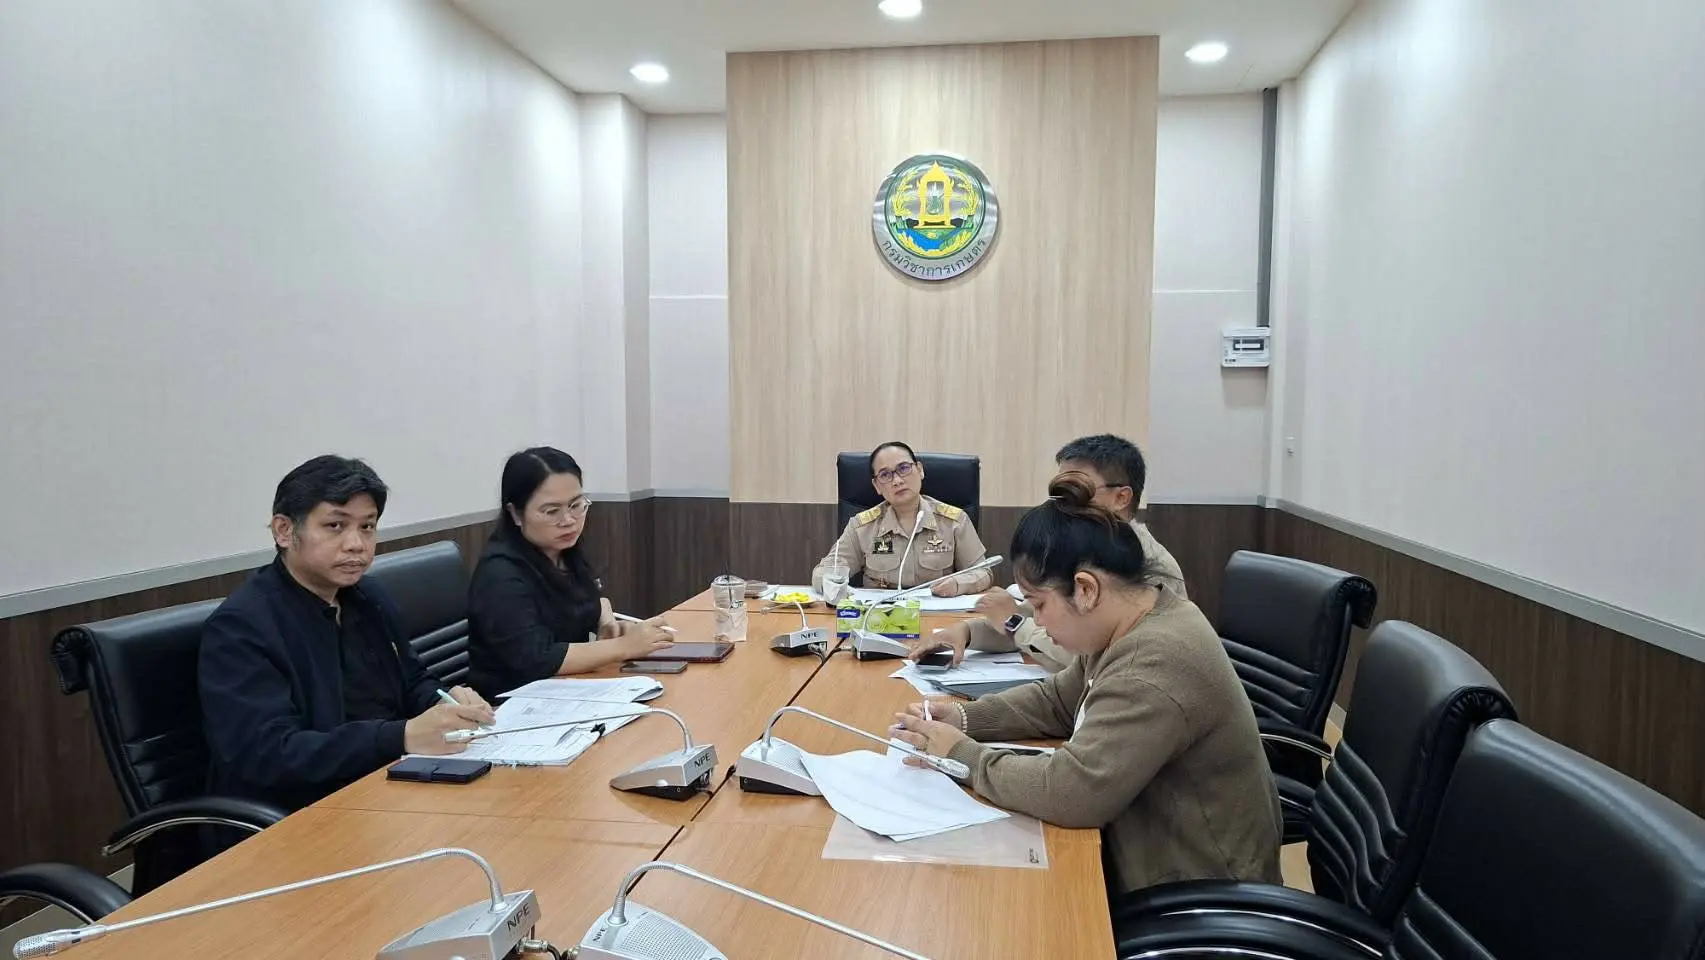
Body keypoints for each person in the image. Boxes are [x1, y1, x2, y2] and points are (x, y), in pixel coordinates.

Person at [889, 471, 1281, 894]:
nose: (1037, 622)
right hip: (1148, 845)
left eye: (1039, 605)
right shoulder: (1130, 620)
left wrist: (961, 755)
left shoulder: (1151, 663)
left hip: (1197, 888)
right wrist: (966, 718)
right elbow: (1059, 700)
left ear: (1086, 590)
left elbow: (1073, 793)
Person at [199, 456, 495, 812]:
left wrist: (443, 701)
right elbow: (268, 753)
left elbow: (412, 680)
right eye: (335, 526)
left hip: (388, 784)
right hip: (303, 812)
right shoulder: (241, 627)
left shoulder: (369, 598)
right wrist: (400, 736)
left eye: (367, 527)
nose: (356, 544)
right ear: (284, 531)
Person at [921, 434, 1186, 672]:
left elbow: (1088, 656)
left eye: (1077, 491)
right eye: (1061, 493)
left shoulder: (1148, 567)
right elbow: (1036, 620)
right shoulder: (1080, 546)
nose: (1064, 505)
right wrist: (966, 632)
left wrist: (1014, 622)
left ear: (1121, 498)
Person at [466, 447, 673, 700]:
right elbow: (538, 659)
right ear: (516, 514)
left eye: (576, 505)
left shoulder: (563, 552)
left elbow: (579, 604)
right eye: (551, 511)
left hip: (565, 692)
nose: (568, 520)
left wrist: (606, 619)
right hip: (510, 705)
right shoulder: (500, 574)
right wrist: (623, 646)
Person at [810, 441, 992, 597]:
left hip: (937, 616)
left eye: (904, 468)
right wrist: (831, 584)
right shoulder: (861, 527)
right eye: (885, 475)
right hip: (879, 616)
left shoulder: (954, 521)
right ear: (877, 486)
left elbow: (983, 572)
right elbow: (824, 572)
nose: (897, 480)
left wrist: (958, 584)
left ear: (920, 470)